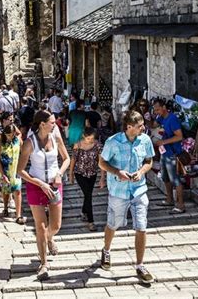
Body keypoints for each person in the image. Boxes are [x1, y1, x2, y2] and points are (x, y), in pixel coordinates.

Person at [99, 109, 155, 285]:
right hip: (118, 191)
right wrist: (117, 172)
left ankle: (140, 265)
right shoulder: (113, 142)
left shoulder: (145, 140)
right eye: (139, 126)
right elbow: (102, 162)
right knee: (113, 224)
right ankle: (106, 250)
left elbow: (149, 161)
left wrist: (141, 172)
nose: (143, 128)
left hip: (139, 190)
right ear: (129, 127)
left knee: (141, 226)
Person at [17, 110, 70, 280]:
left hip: (54, 185)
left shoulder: (56, 136)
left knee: (55, 225)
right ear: (42, 124)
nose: (55, 125)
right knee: (40, 226)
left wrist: (60, 174)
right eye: (52, 122)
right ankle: (44, 264)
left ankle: (49, 238)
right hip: (36, 185)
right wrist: (40, 183)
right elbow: (20, 170)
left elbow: (66, 158)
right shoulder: (29, 143)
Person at [152, 98, 186, 213]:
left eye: (157, 109)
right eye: (154, 110)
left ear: (164, 107)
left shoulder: (172, 119)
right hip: (164, 153)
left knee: (175, 179)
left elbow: (179, 136)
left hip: (173, 154)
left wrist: (163, 142)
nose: (156, 112)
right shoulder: (161, 118)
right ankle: (169, 199)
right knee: (165, 178)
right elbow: (153, 125)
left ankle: (180, 205)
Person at [69, 127, 105, 231]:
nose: (91, 140)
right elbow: (73, 159)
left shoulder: (97, 145)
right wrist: (70, 174)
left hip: (92, 174)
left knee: (87, 195)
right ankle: (91, 221)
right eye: (89, 138)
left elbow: (101, 162)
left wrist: (102, 177)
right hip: (79, 173)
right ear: (84, 136)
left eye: (93, 138)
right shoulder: (78, 145)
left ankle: (84, 212)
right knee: (88, 195)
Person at [0, 124, 25, 224]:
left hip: (16, 170)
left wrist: (22, 167)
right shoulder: (0, 143)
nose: (11, 137)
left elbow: (23, 154)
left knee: (17, 191)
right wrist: (3, 174)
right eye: (9, 135)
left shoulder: (18, 140)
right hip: (5, 170)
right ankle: (5, 208)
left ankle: (18, 215)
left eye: (12, 134)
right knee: (6, 191)